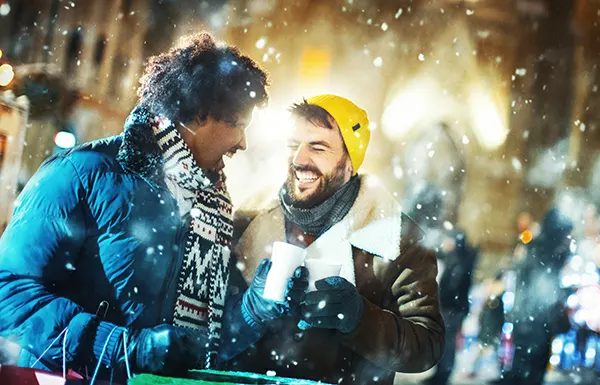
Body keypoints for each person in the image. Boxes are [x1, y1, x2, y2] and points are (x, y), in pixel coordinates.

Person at [0, 32, 306, 381]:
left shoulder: (211, 202)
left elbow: (194, 346)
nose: (243, 143)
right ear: (200, 113)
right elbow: (8, 294)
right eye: (237, 124)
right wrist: (124, 346)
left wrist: (254, 308)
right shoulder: (82, 172)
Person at [230, 94, 445, 385]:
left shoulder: (398, 238)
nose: (299, 159)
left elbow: (427, 346)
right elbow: (202, 329)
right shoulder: (246, 220)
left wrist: (360, 319)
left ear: (349, 162)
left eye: (318, 147)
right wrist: (247, 311)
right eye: (293, 145)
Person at [491, 207, 572, 385]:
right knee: (529, 363)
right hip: (535, 316)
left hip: (534, 316)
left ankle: (514, 377)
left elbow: (527, 277)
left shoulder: (542, 247)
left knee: (527, 362)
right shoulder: (551, 250)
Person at [424, 231, 477, 385]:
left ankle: (442, 375)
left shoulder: (458, 260)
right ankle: (440, 374)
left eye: (449, 241)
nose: (446, 244)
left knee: (447, 342)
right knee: (445, 341)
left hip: (452, 309)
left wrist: (443, 301)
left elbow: (453, 286)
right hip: (453, 308)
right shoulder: (458, 258)